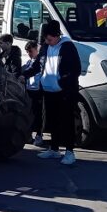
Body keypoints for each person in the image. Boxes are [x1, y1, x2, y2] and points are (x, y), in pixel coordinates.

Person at [31, 20, 82, 165]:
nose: (48, 41)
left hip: (64, 91)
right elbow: (38, 64)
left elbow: (75, 69)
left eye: (50, 39)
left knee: (67, 121)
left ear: (57, 35)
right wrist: (25, 74)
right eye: (46, 39)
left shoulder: (67, 47)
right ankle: (53, 149)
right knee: (52, 121)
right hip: (48, 91)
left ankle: (70, 152)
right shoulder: (46, 47)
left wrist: (62, 81)